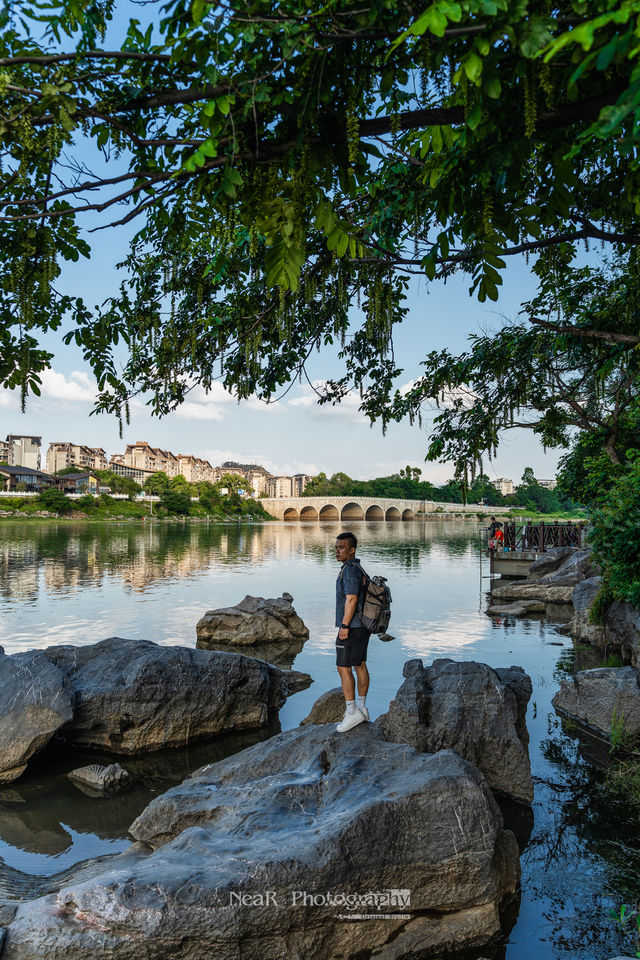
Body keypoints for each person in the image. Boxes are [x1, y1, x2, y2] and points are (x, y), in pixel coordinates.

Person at [334, 531, 370, 733]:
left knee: (343, 667)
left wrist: (344, 626)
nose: (337, 551)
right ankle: (362, 708)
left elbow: (351, 599)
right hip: (363, 626)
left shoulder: (349, 570)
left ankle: (352, 712)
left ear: (352, 549)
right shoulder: (359, 568)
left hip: (352, 627)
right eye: (336, 547)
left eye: (341, 548)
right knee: (360, 664)